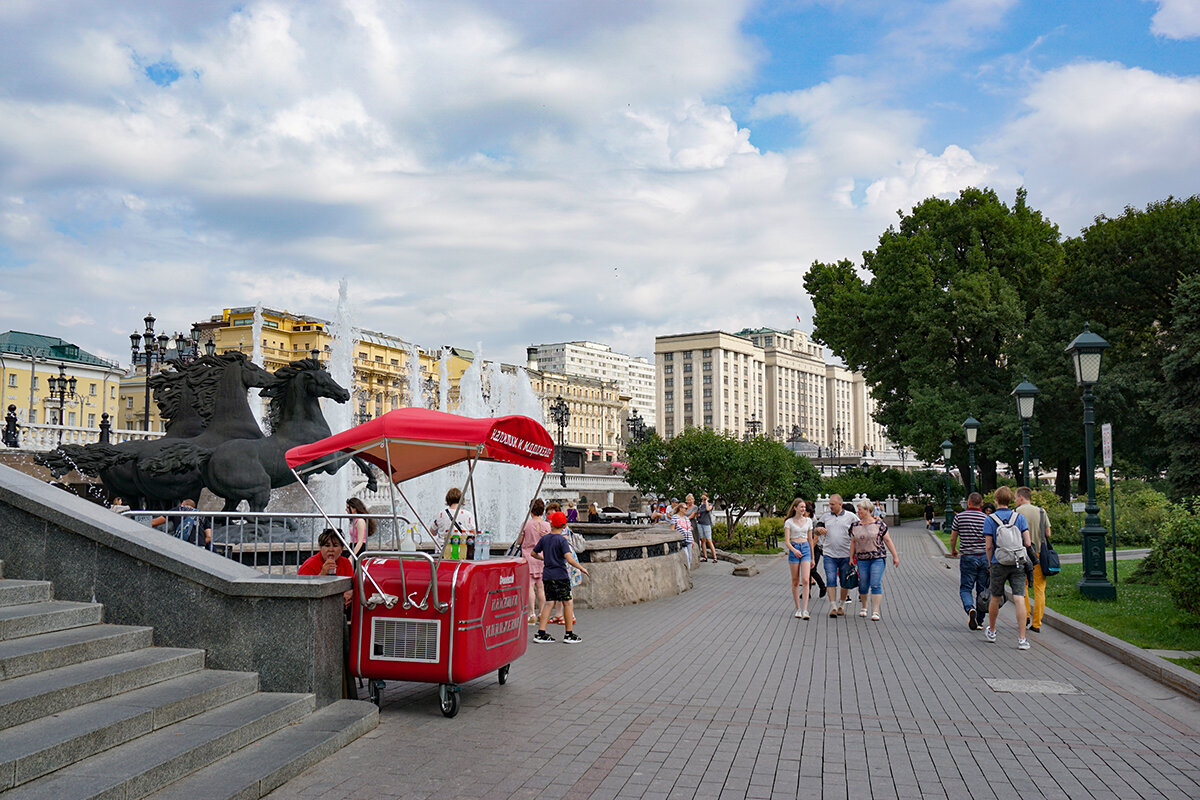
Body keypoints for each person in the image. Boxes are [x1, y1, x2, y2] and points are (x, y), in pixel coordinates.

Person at [983, 486, 1032, 649]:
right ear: (1011, 500)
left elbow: (989, 546)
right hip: (1017, 561)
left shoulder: (990, 519)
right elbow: (1027, 542)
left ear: (996, 500)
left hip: (999, 562)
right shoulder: (1019, 518)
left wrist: (991, 562)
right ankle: (1022, 638)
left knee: (996, 597)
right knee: (1019, 598)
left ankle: (992, 630)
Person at [532, 512, 589, 643]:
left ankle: (541, 633)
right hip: (561, 575)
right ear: (564, 525)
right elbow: (569, 558)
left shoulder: (545, 539)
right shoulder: (562, 540)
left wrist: (544, 558)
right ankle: (569, 634)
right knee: (567, 602)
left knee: (549, 603)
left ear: (551, 524)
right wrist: (581, 568)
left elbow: (533, 553)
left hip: (547, 575)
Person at [849, 499, 899, 620]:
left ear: (867, 510)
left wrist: (895, 556)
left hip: (877, 557)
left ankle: (875, 611)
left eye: (860, 509)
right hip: (862, 558)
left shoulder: (879, 524)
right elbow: (853, 542)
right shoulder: (855, 526)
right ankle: (864, 607)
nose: (858, 512)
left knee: (875, 583)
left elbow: (887, 540)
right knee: (863, 584)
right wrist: (851, 557)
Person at [951, 492, 990, 631]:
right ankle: (979, 621)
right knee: (982, 589)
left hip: (967, 556)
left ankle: (970, 609)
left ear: (968, 503)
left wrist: (953, 549)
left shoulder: (959, 517)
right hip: (983, 556)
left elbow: (953, 537)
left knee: (966, 588)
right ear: (981, 503)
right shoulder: (986, 518)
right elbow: (990, 541)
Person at [1015, 486, 1051, 633]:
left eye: (1016, 498)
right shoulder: (1041, 511)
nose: (1015, 500)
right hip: (1038, 554)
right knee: (1039, 588)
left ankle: (1026, 615)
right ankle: (1037, 623)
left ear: (1021, 497)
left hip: (1022, 553)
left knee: (1022, 586)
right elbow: (1048, 533)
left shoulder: (1016, 513)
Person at [815, 494, 856, 618]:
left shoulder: (851, 517)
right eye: (829, 504)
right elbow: (816, 529)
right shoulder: (825, 516)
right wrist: (819, 530)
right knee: (830, 579)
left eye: (832, 504)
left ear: (840, 504)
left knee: (844, 581)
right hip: (829, 554)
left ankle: (841, 605)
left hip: (845, 554)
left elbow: (860, 529)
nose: (830, 506)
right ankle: (833, 607)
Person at [297, 528, 354, 609]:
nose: (331, 550)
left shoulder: (345, 563)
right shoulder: (310, 565)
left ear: (341, 549)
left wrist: (349, 594)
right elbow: (302, 592)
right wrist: (322, 574)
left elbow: (350, 587)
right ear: (321, 548)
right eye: (327, 546)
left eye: (335, 545)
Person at [784, 498, 815, 619]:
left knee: (806, 580)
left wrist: (813, 558)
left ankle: (805, 609)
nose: (803, 509)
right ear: (795, 508)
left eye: (804, 507)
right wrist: (794, 550)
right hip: (794, 548)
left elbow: (810, 540)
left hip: (806, 548)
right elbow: (787, 541)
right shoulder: (789, 522)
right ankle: (797, 608)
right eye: (801, 507)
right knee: (795, 581)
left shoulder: (808, 521)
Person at [521, 498, 550, 624]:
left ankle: (531, 613)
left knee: (530, 586)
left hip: (528, 556)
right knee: (541, 588)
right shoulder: (547, 525)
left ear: (531, 510)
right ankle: (541, 613)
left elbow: (519, 541)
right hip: (543, 557)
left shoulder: (526, 524)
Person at [430, 487, 476, 553]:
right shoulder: (468, 515)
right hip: (461, 552)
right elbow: (474, 535)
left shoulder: (441, 514)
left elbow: (432, 532)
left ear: (447, 500)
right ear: (462, 499)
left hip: (442, 552)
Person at [806, 500, 827, 598]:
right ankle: (807, 592)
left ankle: (822, 586)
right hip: (807, 547)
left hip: (815, 548)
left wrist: (809, 549)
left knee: (812, 570)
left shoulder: (813, 521)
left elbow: (815, 538)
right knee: (807, 570)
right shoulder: (805, 520)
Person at [669, 501, 694, 568]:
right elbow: (672, 529)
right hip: (681, 541)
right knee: (685, 556)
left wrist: (693, 540)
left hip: (689, 540)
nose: (687, 510)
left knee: (689, 557)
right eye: (685, 508)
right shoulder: (675, 517)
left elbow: (689, 529)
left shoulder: (686, 518)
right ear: (680, 508)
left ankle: (688, 572)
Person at [694, 492, 717, 562]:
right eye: (702, 498)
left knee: (709, 540)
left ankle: (715, 557)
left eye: (704, 498)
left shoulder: (710, 505)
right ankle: (705, 557)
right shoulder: (700, 506)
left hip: (706, 524)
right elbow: (698, 514)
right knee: (702, 540)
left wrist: (706, 501)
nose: (703, 500)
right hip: (700, 523)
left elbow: (708, 509)